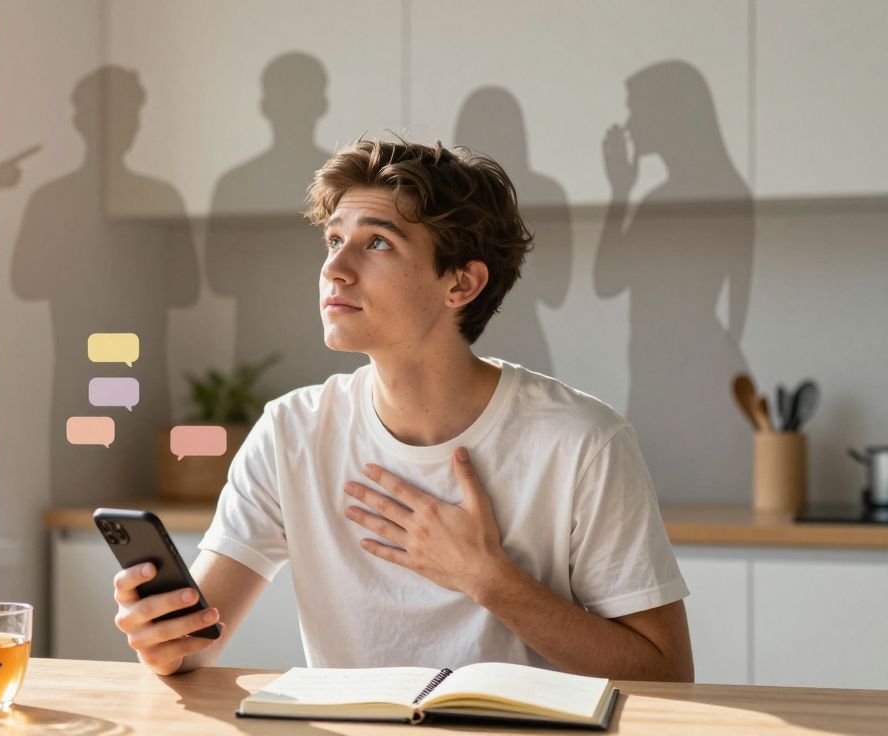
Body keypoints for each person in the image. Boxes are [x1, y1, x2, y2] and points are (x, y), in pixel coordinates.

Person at [112, 137, 693, 681]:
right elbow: (195, 643)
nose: (334, 269)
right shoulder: (292, 431)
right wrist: (162, 639)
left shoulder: (583, 442)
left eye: (378, 242)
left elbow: (666, 674)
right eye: (335, 240)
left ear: (461, 284)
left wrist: (486, 578)